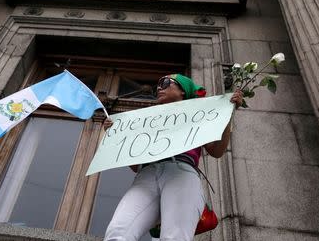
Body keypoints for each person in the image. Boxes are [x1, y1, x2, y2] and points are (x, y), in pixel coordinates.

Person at [103, 73, 243, 241]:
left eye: (166, 82)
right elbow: (135, 166)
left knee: (175, 237)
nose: (159, 88)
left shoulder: (197, 115)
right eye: (158, 85)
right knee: (117, 232)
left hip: (181, 173)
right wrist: (118, 137)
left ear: (183, 90)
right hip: (146, 175)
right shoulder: (147, 119)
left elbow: (217, 151)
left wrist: (227, 117)